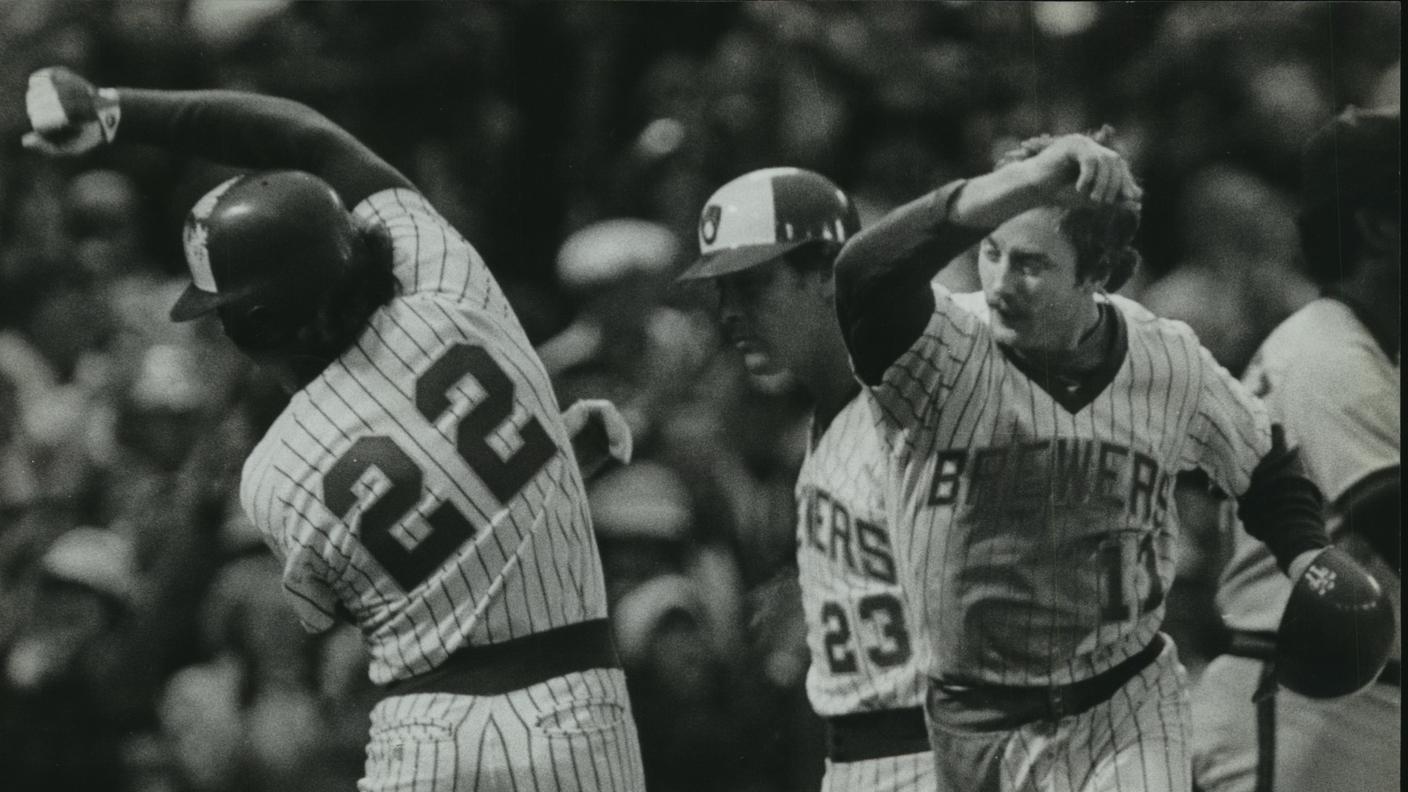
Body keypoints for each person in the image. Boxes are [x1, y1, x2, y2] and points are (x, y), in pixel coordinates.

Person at [23, 66, 643, 791]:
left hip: (425, 740)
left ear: (253, 324)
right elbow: (305, 135)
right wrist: (115, 108)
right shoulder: (450, 282)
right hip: (574, 712)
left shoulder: (274, 470)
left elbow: (348, 605)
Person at [830, 126, 1391, 791]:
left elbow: (1263, 461)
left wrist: (1307, 557)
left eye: (1032, 264)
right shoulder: (944, 345)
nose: (1002, 282)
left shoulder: (1166, 358)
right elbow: (861, 276)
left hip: (1123, 702)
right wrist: (1024, 183)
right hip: (972, 714)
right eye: (991, 252)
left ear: (1102, 274)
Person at [679, 167, 936, 791]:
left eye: (753, 286)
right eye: (721, 292)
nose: (730, 315)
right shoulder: (819, 422)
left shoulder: (916, 397)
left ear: (827, 275)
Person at [1192, 106, 1401, 792]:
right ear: (1376, 225)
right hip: (1307, 706)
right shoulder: (1328, 356)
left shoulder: (1369, 351)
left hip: (1356, 705)